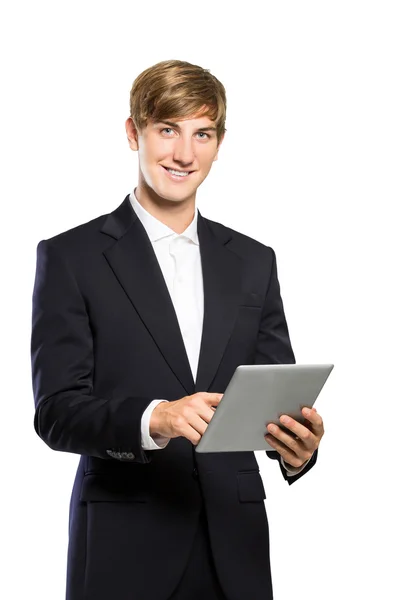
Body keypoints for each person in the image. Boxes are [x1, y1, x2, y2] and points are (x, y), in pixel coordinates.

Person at [31, 59, 325, 600]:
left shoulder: (254, 261)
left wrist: (295, 447)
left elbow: (272, 399)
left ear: (218, 142)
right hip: (125, 546)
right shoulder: (71, 257)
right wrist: (155, 417)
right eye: (167, 129)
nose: (184, 154)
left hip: (234, 549)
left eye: (202, 133)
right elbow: (56, 413)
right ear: (132, 132)